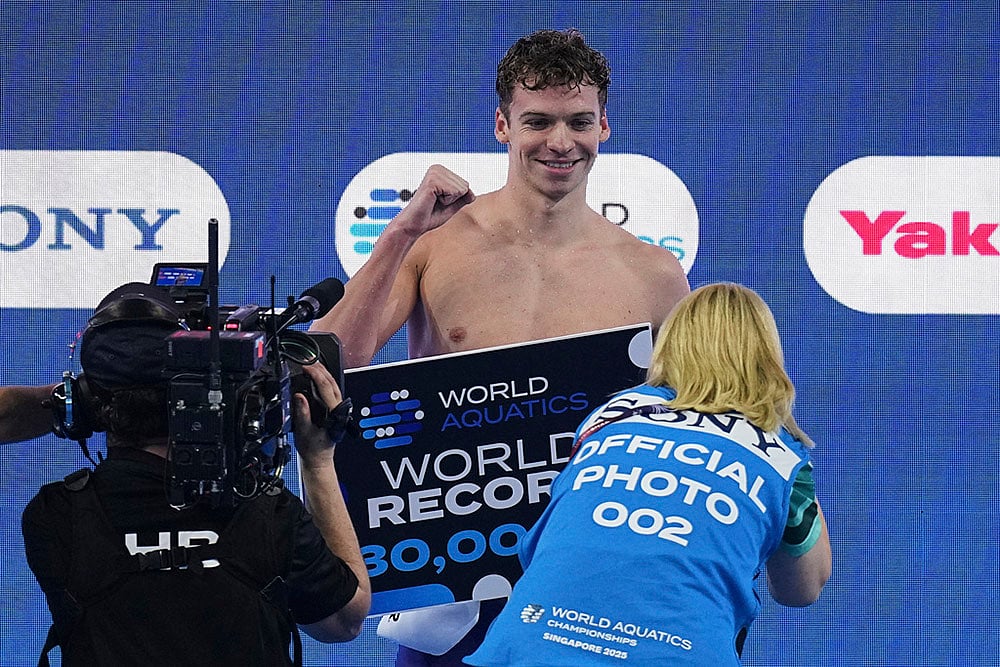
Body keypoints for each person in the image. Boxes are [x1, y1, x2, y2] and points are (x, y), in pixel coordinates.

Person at [310, 28, 690, 667]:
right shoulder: (436, 243)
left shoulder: (652, 274)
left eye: (578, 122)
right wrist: (400, 233)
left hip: (585, 578)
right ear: (502, 126)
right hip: (451, 580)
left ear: (605, 126)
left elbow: (694, 422)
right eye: (537, 121)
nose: (560, 142)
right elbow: (335, 361)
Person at [464, 283, 833, 666]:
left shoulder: (612, 414)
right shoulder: (780, 455)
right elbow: (803, 588)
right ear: (766, 358)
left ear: (671, 342)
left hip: (529, 643)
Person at [21, 283, 371, 666]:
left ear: (84, 405)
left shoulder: (54, 517)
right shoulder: (268, 514)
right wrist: (318, 463)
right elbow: (343, 622)